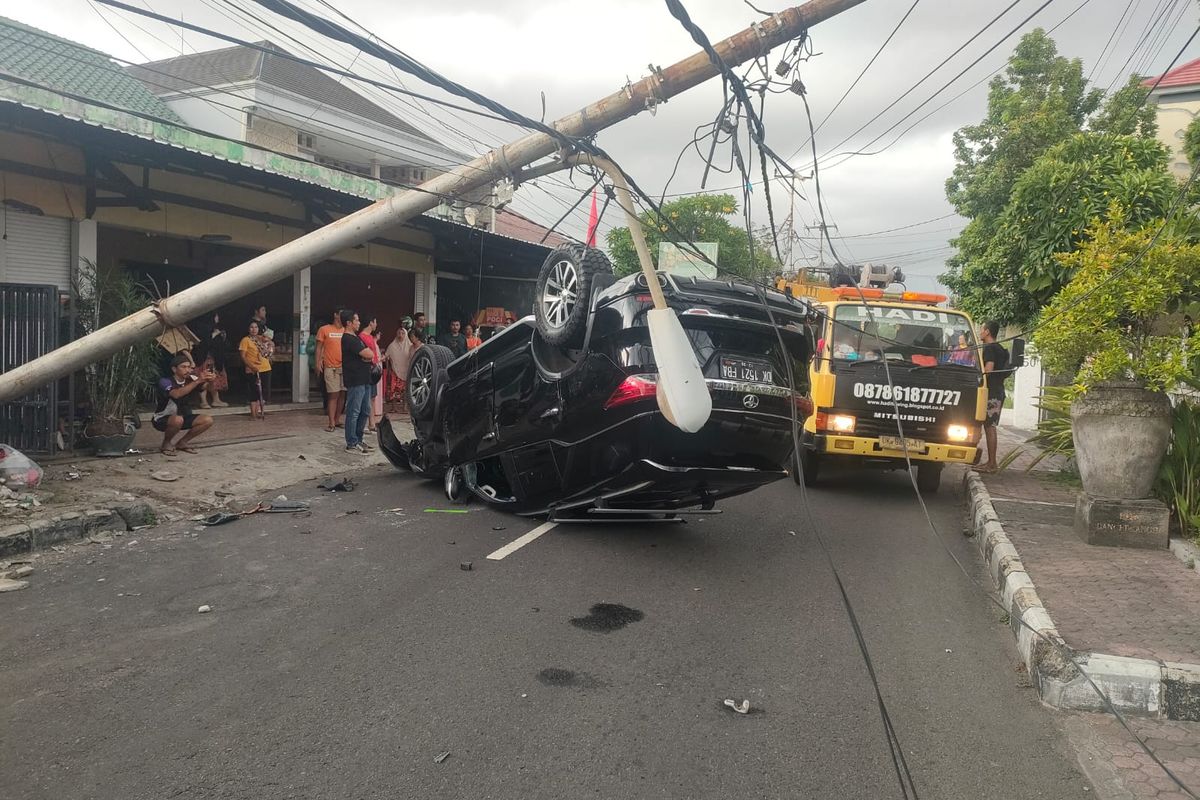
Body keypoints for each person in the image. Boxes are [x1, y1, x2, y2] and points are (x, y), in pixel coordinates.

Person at [152, 354, 214, 456]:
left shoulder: (192, 379)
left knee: (207, 420)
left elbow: (206, 388)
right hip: (162, 418)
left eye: (189, 367)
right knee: (177, 420)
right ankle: (166, 444)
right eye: (183, 367)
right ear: (174, 369)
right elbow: (176, 394)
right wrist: (198, 380)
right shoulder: (165, 381)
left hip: (184, 416)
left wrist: (210, 380)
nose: (187, 370)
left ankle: (182, 442)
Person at [340, 309, 375, 453]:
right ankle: (351, 442)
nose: (359, 323)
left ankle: (359, 439)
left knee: (365, 410)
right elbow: (367, 353)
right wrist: (366, 355)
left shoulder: (356, 337)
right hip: (355, 380)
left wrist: (367, 355)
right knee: (353, 411)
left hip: (365, 378)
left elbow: (370, 354)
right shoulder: (348, 338)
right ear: (349, 323)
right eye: (356, 320)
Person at [979, 320, 1010, 472]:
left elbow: (988, 369)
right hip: (998, 390)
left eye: (982, 329)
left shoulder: (990, 348)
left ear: (987, 332)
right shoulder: (1000, 349)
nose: (980, 331)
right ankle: (990, 462)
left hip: (992, 392)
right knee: (988, 425)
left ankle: (992, 464)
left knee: (990, 426)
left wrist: (978, 375)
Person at [316, 309, 346, 432]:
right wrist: (318, 362)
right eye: (341, 314)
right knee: (333, 394)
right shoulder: (324, 329)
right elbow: (319, 348)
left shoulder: (346, 330)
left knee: (343, 394)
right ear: (335, 315)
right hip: (330, 366)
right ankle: (331, 422)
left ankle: (338, 419)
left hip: (344, 367)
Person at [192, 312, 230, 409]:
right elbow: (203, 344)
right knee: (204, 379)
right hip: (204, 358)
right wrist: (214, 335)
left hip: (215, 358)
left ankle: (216, 400)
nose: (218, 317)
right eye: (216, 316)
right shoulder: (202, 328)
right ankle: (203, 401)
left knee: (214, 379)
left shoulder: (215, 328)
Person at [239, 320, 272, 420]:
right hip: (253, 369)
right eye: (251, 327)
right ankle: (253, 413)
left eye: (256, 327)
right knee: (254, 391)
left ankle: (259, 411)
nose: (254, 329)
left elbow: (269, 345)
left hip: (265, 368)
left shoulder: (261, 339)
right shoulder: (245, 340)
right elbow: (243, 356)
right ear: (248, 329)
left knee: (264, 390)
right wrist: (251, 366)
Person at [359, 314, 384, 433]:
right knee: (365, 398)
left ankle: (372, 423)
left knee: (372, 397)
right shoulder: (363, 337)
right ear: (370, 323)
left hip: (372, 370)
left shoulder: (369, 337)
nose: (376, 324)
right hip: (366, 371)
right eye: (375, 322)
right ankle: (363, 424)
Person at [384, 319, 414, 412]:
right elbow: (386, 357)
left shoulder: (410, 346)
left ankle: (404, 407)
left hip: (406, 371)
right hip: (395, 371)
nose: (400, 335)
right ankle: (394, 407)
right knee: (394, 389)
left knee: (405, 390)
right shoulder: (392, 346)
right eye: (399, 333)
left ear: (405, 335)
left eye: (402, 333)